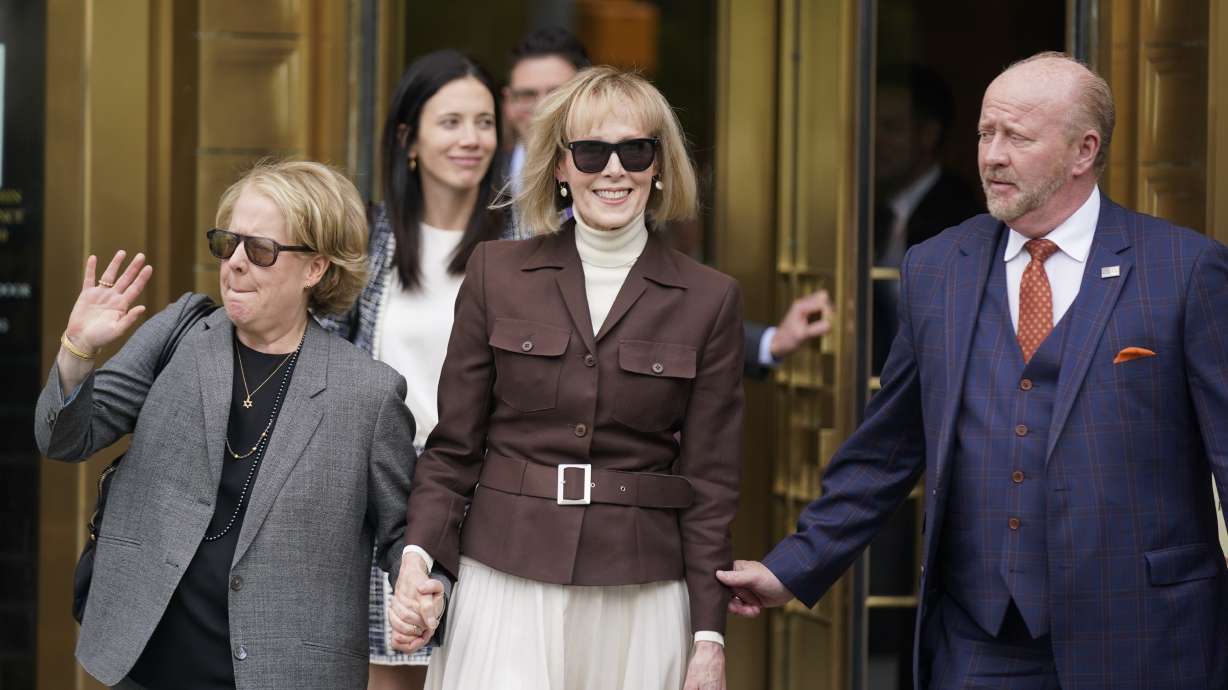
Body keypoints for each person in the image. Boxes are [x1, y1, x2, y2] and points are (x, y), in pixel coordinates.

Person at [718, 52, 1228, 689]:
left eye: (1017, 136)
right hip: (977, 641)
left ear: (1083, 150)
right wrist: (791, 567)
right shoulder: (937, 268)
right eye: (986, 133)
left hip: (1142, 634)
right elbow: (889, 447)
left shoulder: (1184, 270)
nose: (991, 155)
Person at [390, 66, 743, 690]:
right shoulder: (495, 273)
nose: (614, 170)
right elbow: (453, 450)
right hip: (504, 578)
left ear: (658, 165)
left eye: (635, 150)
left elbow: (711, 484)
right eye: (590, 151)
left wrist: (708, 637)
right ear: (559, 166)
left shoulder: (709, 299)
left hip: (640, 592)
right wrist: (419, 558)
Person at [34, 160, 420, 689]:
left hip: (284, 671)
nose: (236, 263)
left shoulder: (368, 393)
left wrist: (420, 585)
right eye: (227, 243)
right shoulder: (180, 332)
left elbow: (405, 533)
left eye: (260, 250)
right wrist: (77, 350)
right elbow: (64, 438)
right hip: (148, 663)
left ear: (315, 268)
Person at [320, 49, 504, 689]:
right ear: (409, 139)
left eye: (484, 122)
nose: (472, 139)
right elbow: (322, 371)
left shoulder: (524, 250)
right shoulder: (366, 243)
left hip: (490, 503)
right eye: (450, 121)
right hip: (383, 499)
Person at [873, 64, 983, 373]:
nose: (875, 140)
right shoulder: (874, 215)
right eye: (871, 126)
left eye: (891, 128)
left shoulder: (959, 217)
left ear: (928, 134)